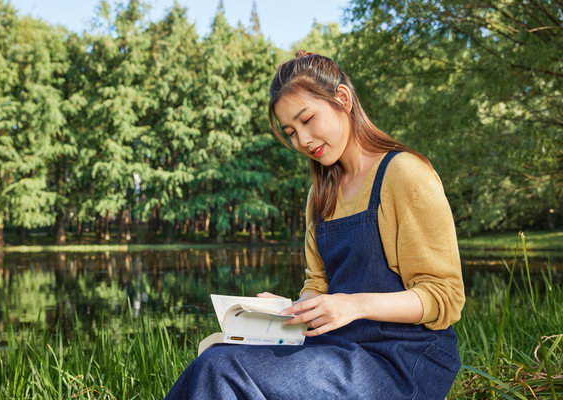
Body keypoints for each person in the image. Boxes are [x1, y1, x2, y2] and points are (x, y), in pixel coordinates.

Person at [164, 51, 465, 400]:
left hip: (402, 360)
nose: (302, 141)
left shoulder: (404, 173)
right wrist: (291, 310)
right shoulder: (320, 194)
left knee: (223, 369)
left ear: (343, 99)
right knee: (216, 355)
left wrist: (354, 305)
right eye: (291, 132)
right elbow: (318, 285)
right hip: (336, 348)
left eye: (308, 120)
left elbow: (445, 298)